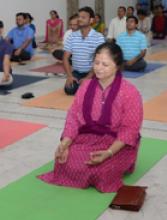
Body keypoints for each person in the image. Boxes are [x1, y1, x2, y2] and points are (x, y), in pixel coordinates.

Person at [38, 42, 143, 193]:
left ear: (118, 65)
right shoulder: (85, 87)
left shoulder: (130, 93)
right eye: (96, 62)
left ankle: (113, 163)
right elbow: (73, 118)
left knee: (101, 170)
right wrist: (66, 144)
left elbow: (129, 130)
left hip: (118, 144)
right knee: (63, 161)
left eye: (105, 64)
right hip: (88, 138)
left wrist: (109, 153)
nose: (99, 68)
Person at [63, 7, 105, 95]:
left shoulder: (98, 37)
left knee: (90, 91)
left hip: (93, 73)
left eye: (83, 17)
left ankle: (88, 85)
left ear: (91, 20)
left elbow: (100, 60)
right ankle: (81, 85)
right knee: (69, 90)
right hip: (77, 72)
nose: (80, 19)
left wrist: (88, 77)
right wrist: (70, 76)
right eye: (79, 17)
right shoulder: (72, 36)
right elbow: (65, 57)